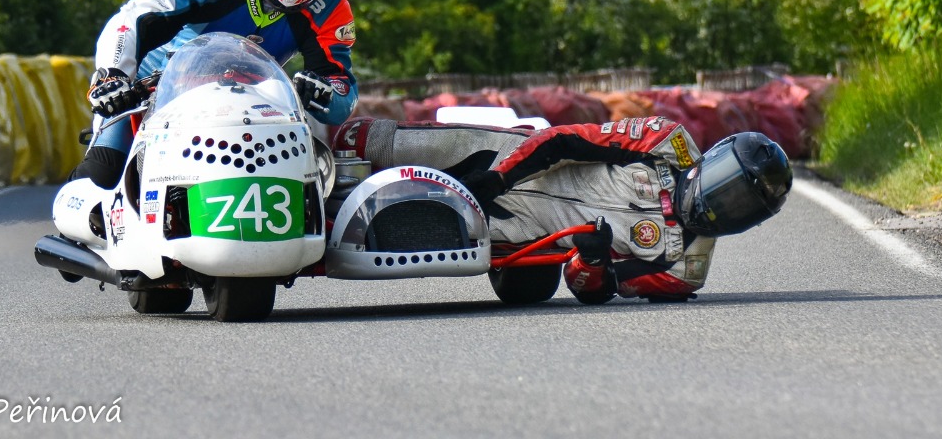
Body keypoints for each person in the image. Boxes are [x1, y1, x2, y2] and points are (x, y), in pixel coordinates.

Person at [74, 0, 359, 189]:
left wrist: (323, 93)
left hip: (246, 109)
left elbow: (342, 90)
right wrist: (112, 76)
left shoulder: (330, 7)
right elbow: (132, 18)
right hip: (153, 96)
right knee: (101, 174)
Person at [332, 116, 791, 303]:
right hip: (506, 160)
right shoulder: (666, 142)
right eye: (726, 188)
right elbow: (566, 140)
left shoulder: (683, 271)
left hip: (523, 234)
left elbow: (595, 289)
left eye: (739, 208)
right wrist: (500, 177)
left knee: (400, 224)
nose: (720, 207)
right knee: (362, 140)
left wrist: (591, 259)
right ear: (711, 160)